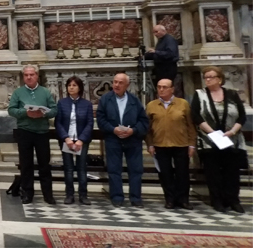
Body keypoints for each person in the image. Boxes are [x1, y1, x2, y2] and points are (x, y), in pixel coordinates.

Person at [191, 66, 247, 213]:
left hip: (232, 138)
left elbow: (242, 115)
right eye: (206, 77)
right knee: (213, 172)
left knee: (232, 172)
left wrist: (232, 131)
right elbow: (196, 115)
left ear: (219, 79)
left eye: (211, 77)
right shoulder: (200, 94)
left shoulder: (232, 94)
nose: (208, 79)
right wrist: (212, 133)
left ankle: (233, 200)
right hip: (209, 139)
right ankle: (217, 200)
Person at [7, 64, 58, 204]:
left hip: (42, 132)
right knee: (26, 165)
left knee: (44, 165)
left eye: (32, 74)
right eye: (26, 75)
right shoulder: (18, 93)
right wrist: (26, 113)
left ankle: (48, 194)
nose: (29, 77)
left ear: (37, 76)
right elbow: (11, 110)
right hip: (25, 132)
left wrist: (43, 113)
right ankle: (27, 193)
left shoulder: (45, 92)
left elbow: (54, 110)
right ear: (23, 77)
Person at [96, 73, 149, 207]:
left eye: (120, 83)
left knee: (136, 169)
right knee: (114, 169)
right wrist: (113, 129)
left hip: (132, 140)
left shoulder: (134, 100)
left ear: (127, 85)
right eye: (115, 82)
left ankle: (136, 197)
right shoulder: (105, 99)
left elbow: (143, 121)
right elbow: (101, 119)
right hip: (113, 138)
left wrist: (133, 130)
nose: (116, 85)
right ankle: (117, 197)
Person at [146, 78, 196, 210]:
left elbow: (190, 125)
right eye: (159, 87)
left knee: (182, 173)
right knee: (165, 174)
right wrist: (150, 144)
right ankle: (170, 199)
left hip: (181, 144)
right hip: (160, 144)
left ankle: (183, 199)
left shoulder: (183, 104)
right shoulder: (151, 105)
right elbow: (148, 128)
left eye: (165, 87)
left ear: (172, 89)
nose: (161, 90)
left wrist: (192, 144)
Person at [54, 76, 93, 205]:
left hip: (81, 140)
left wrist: (81, 139)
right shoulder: (62, 103)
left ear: (80, 88)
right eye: (69, 85)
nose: (71, 87)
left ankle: (83, 195)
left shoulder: (86, 104)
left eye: (74, 85)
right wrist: (66, 138)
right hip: (67, 140)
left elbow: (89, 123)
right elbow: (58, 123)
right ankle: (69, 194)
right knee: (68, 168)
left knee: (81, 168)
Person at [144, 25, 181, 98]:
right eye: (154, 32)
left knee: (166, 89)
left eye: (156, 32)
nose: (155, 34)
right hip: (161, 69)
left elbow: (171, 54)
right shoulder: (161, 40)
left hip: (168, 69)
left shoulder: (169, 40)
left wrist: (156, 52)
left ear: (163, 31)